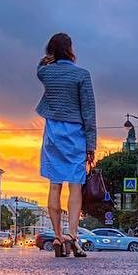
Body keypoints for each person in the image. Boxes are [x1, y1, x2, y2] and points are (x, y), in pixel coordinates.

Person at [36, 33, 96, 258]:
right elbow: (88, 111)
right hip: (75, 134)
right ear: (70, 49)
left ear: (51, 50)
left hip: (53, 133)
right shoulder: (81, 75)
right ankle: (72, 235)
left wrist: (48, 58)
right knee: (75, 185)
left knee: (54, 184)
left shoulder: (46, 72)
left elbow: (40, 66)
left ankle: (58, 237)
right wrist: (91, 144)